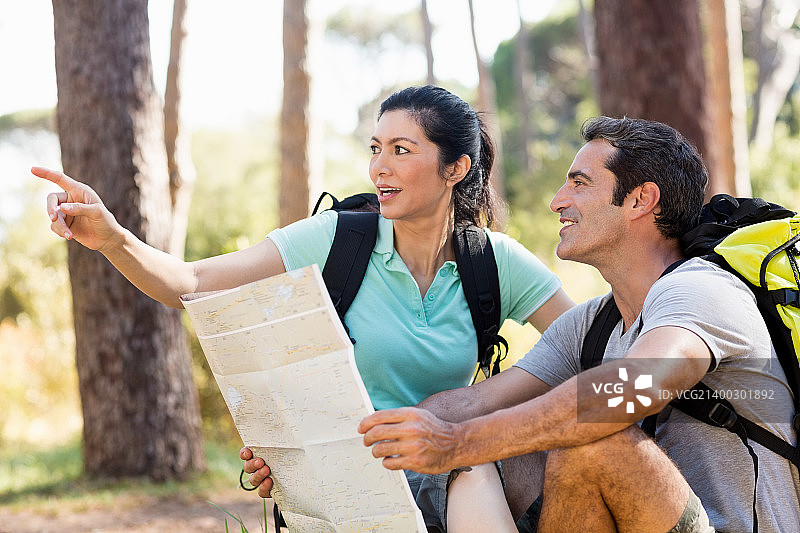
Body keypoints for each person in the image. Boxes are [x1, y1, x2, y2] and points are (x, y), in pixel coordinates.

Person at [33, 85, 574, 532]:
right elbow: (193, 282)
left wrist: (482, 407)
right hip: (345, 486)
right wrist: (112, 239)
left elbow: (588, 346)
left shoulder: (494, 262)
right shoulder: (337, 238)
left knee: (481, 466)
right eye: (375, 148)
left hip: (450, 468)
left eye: (401, 151)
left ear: (455, 169)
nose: (379, 168)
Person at [355, 117, 800, 532]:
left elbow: (632, 388)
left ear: (640, 200)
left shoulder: (703, 292)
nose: (557, 201)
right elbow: (468, 406)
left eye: (579, 183)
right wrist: (348, 452)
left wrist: (458, 443)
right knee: (513, 440)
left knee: (592, 443)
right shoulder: (591, 324)